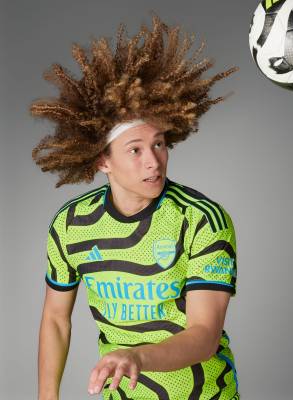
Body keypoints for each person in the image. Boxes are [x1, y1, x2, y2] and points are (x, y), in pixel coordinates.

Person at [32, 13, 239, 400]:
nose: (153, 161)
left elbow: (204, 335)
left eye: (159, 144)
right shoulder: (71, 225)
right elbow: (56, 319)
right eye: (135, 150)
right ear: (102, 161)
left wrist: (136, 357)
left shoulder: (201, 219)